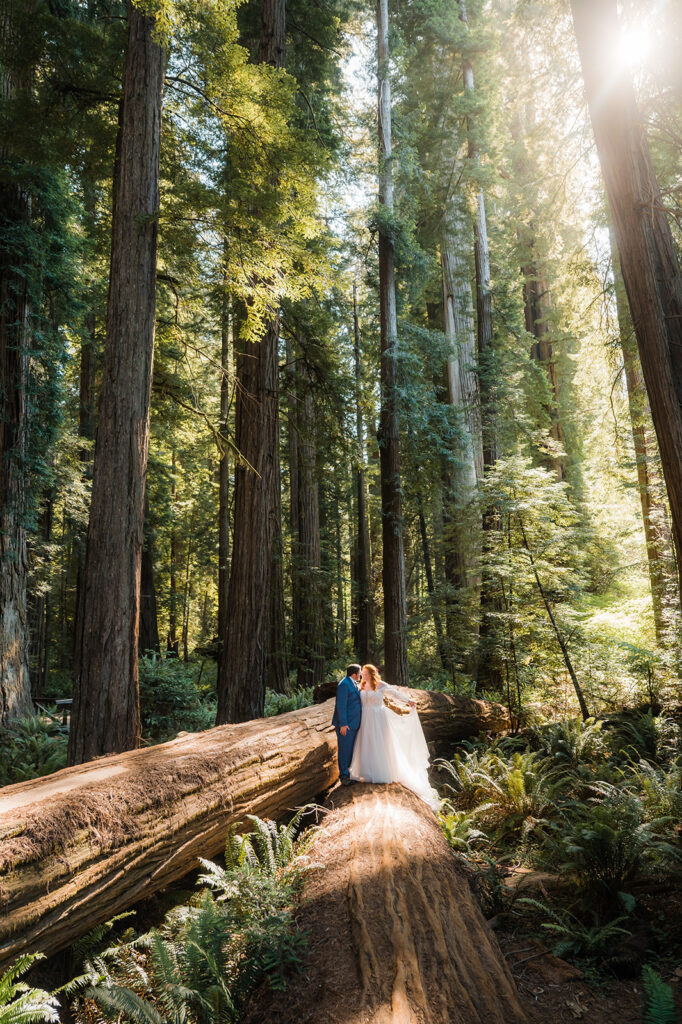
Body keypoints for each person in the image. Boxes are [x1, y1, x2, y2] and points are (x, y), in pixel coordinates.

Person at [349, 663, 438, 810]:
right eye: (362, 673)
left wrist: (407, 700)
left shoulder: (380, 684)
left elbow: (394, 693)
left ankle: (380, 771)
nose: (362, 675)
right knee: (366, 742)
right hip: (365, 718)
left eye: (364, 673)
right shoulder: (360, 685)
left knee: (380, 743)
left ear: (371, 673)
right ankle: (366, 771)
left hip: (378, 717)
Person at [332, 664, 362, 786]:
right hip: (346, 725)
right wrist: (343, 724)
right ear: (354, 674)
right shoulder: (344, 685)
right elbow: (341, 706)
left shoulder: (353, 683)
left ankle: (349, 773)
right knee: (344, 751)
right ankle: (344, 776)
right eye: (359, 673)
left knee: (350, 750)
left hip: (353, 723)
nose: (360, 675)